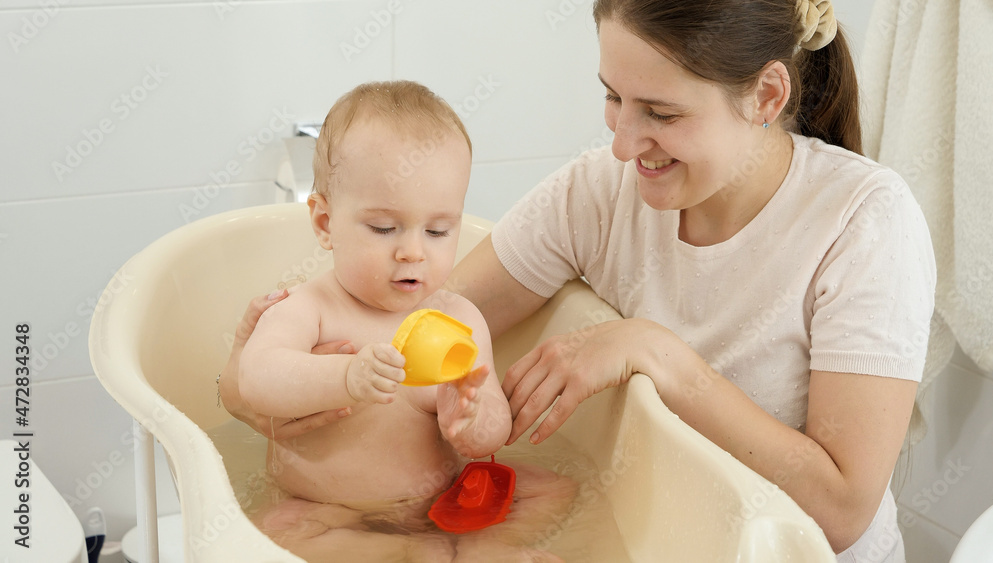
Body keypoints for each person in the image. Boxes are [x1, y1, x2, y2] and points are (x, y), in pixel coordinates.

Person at [224, 1, 934, 561]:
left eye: (661, 113)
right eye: (613, 97)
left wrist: (653, 352)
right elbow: (416, 320)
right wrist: (248, 389)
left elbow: (841, 512)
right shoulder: (601, 192)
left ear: (766, 95)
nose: (622, 144)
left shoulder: (864, 222)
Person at [228, 80, 573, 562]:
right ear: (326, 223)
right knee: (279, 529)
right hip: (328, 510)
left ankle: (477, 547)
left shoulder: (458, 318)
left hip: (442, 499)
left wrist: (470, 419)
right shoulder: (310, 308)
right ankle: (414, 551)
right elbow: (256, 378)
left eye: (438, 230)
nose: (413, 251)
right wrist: (344, 377)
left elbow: (494, 426)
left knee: (549, 488)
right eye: (384, 228)